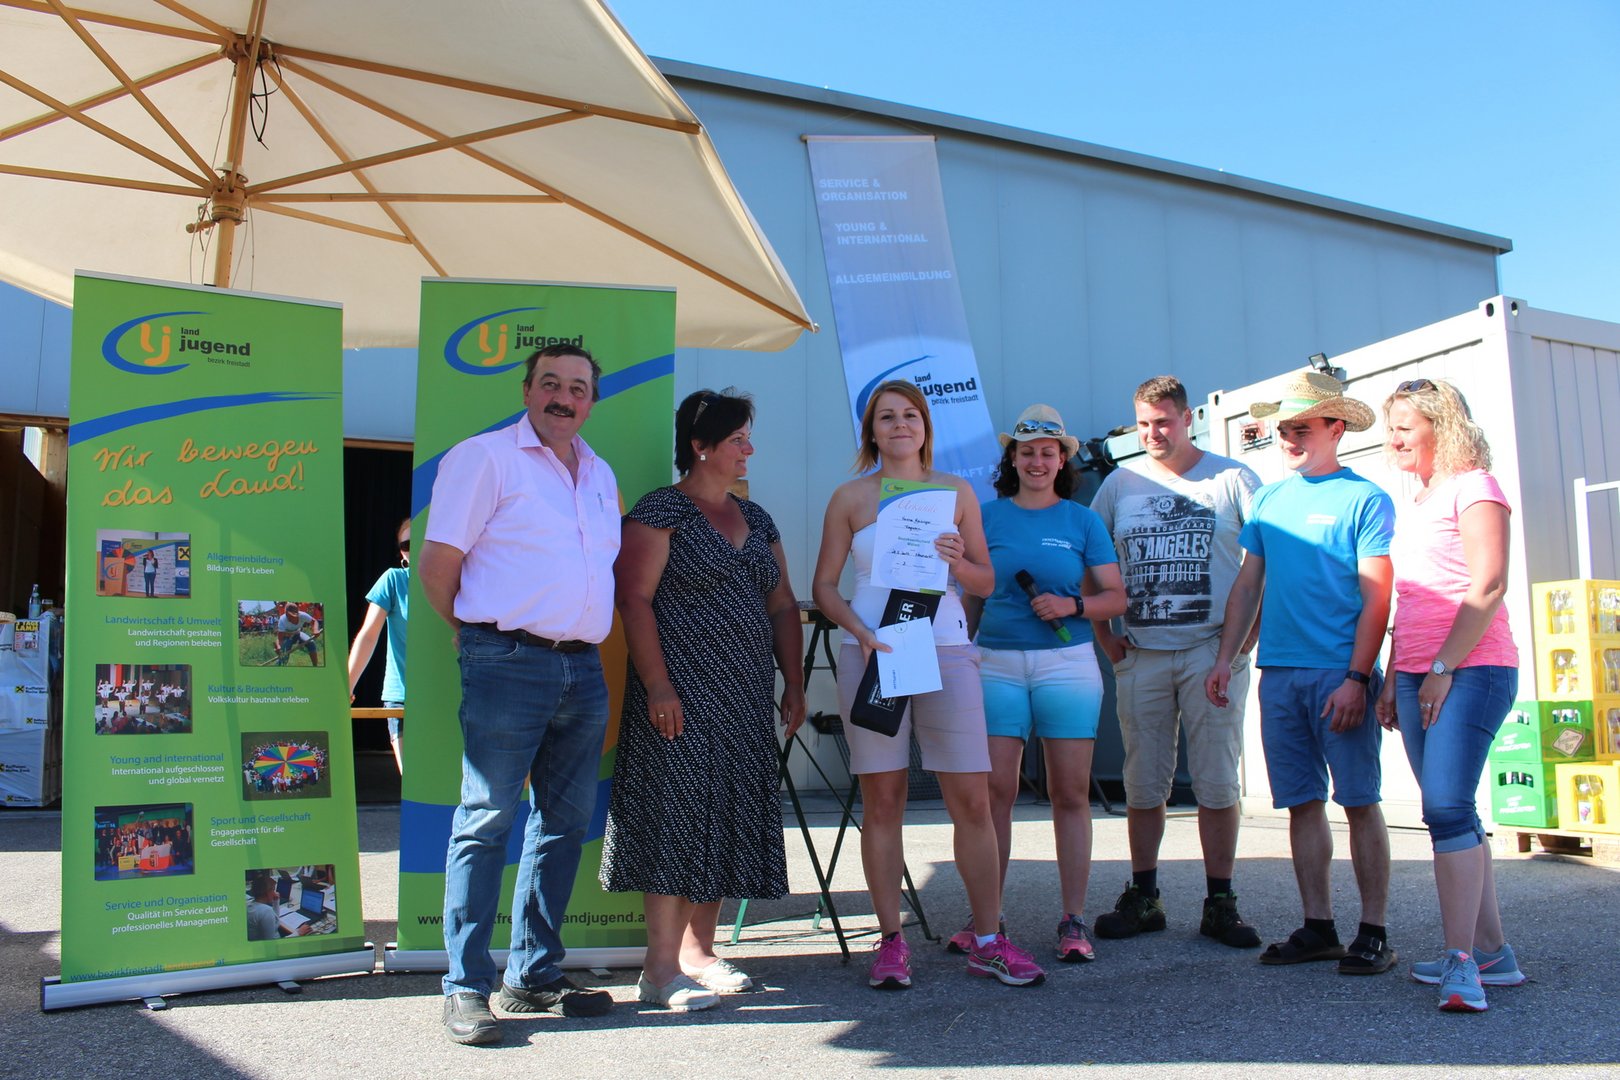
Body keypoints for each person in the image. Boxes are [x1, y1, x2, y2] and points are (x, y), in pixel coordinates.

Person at [418, 344, 621, 1045]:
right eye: (551, 383)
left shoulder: (600, 473)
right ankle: (465, 987)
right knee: (486, 819)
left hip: (582, 667)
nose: (564, 397)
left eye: (578, 387)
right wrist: (471, 633)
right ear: (527, 390)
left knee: (563, 824)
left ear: (592, 400)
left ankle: (533, 975)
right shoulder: (485, 458)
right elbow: (437, 563)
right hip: (506, 660)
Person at [812, 379, 1045, 990]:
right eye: (887, 416)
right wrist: (860, 631)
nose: (900, 425)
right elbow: (824, 586)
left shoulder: (956, 492)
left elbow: (985, 583)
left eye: (910, 415)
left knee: (972, 799)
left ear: (925, 426)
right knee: (883, 801)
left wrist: (957, 561)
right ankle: (891, 941)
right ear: (871, 430)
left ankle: (989, 939)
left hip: (944, 648)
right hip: (876, 651)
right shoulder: (850, 496)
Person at [600, 389, 806, 1013]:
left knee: (723, 818)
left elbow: (782, 604)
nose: (749, 449)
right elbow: (633, 598)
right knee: (677, 819)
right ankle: (659, 970)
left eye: (747, 437)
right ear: (701, 446)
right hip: (680, 696)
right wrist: (658, 684)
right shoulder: (662, 509)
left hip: (744, 696)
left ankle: (699, 954)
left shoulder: (757, 518)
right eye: (738, 438)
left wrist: (794, 682)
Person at [1204, 368, 1398, 975]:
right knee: (1302, 803)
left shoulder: (1365, 498)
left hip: (1339, 673)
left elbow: (1378, 596)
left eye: (1302, 428)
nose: (1289, 438)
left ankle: (1374, 932)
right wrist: (1226, 656)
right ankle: (1319, 927)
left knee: (1360, 801)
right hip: (1280, 674)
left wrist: (1358, 678)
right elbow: (1247, 585)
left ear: (1336, 428)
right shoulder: (1269, 499)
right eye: (1283, 429)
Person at [1088, 375, 1264, 949]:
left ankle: (1220, 902)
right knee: (1143, 783)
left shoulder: (1232, 479)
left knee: (1216, 782)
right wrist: (1104, 635)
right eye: (1143, 423)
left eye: (1163, 421)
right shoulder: (1119, 483)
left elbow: (1265, 562)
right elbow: (1090, 557)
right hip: (1142, 651)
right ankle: (1145, 896)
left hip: (1212, 650)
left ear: (1188, 418)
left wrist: (1245, 640)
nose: (1153, 433)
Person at [1374, 378, 1524, 1012]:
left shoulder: (1476, 487)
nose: (1393, 439)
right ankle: (1492, 952)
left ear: (1443, 426)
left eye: (1404, 427)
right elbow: (1410, 601)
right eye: (1391, 428)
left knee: (1445, 807)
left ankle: (1463, 962)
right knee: (1451, 811)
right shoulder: (1419, 499)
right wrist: (1393, 676)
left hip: (1472, 668)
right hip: (1417, 671)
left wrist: (1441, 666)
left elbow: (1488, 585)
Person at [965, 404, 1126, 963]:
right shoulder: (985, 516)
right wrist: (958, 648)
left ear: (1063, 461)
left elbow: (1116, 597)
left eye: (1048, 453)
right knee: (995, 794)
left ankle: (1073, 918)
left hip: (1067, 664)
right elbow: (970, 596)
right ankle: (987, 919)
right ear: (1012, 459)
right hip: (995, 664)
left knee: (1070, 793)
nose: (1037, 461)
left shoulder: (1082, 521)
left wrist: (1071, 605)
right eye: (1027, 452)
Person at [347, 517, 412, 772]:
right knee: (414, 784)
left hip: (452, 695)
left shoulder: (459, 579)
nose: (415, 548)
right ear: (401, 553)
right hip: (403, 698)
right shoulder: (394, 580)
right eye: (407, 544)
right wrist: (346, 686)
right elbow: (368, 634)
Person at [274, 602, 320, 666]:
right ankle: (279, 665)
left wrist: (315, 629)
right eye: (288, 617)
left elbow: (314, 621)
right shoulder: (282, 620)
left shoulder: (303, 615)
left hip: (298, 633)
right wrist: (279, 647)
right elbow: (280, 637)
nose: (289, 620)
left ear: (298, 614)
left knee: (311, 643)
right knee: (284, 654)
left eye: (292, 617)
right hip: (287, 636)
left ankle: (315, 667)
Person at [246, 874, 281, 941]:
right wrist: (298, 933)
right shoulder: (266, 911)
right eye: (273, 890)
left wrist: (276, 902)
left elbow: (275, 920)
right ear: (267, 892)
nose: (274, 893)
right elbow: (270, 943)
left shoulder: (251, 905)